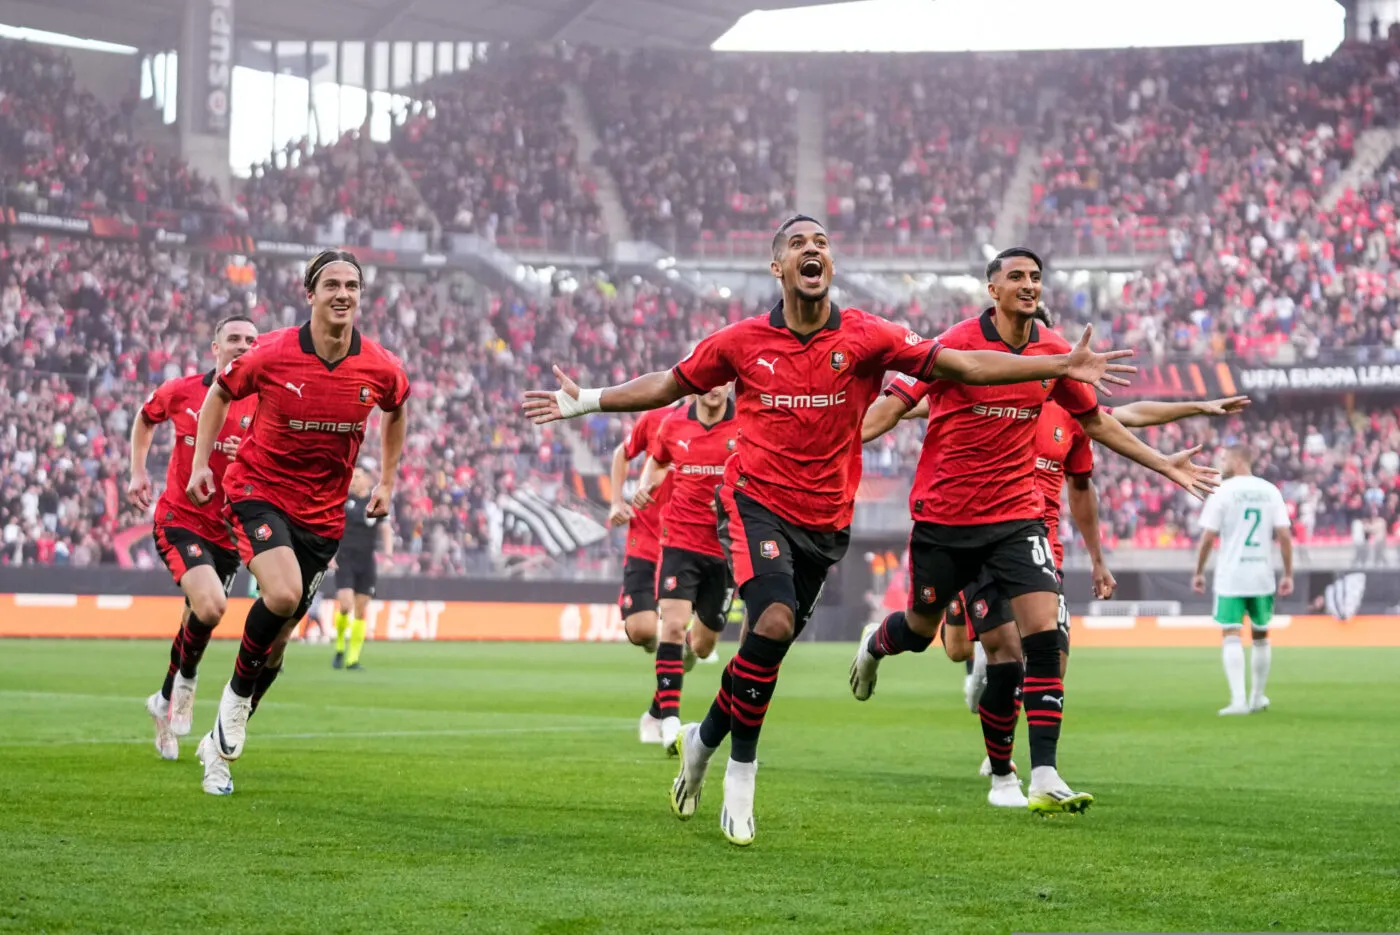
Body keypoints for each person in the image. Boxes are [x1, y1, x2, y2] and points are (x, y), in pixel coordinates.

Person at [524, 215, 1136, 846]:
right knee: (771, 625)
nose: (812, 249)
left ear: (831, 267)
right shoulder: (740, 341)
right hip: (753, 501)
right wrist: (589, 399)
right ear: (778, 267)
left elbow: (965, 367)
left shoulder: (869, 335)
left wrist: (1061, 363)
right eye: (798, 243)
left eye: (821, 243)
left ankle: (703, 740)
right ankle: (741, 773)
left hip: (824, 523)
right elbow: (667, 384)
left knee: (765, 650)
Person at [847, 248, 1219, 816]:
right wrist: (836, 445)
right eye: (1016, 276)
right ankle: (877, 644)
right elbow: (891, 407)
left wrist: (1163, 463)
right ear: (992, 289)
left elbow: (1097, 421)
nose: (1029, 284)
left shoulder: (1055, 352)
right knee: (923, 633)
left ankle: (1036, 774)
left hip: (1017, 518)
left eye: (1036, 277)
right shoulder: (951, 344)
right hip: (946, 518)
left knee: (1034, 639)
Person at [186, 249, 410, 795]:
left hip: (323, 514)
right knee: (283, 594)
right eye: (331, 284)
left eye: (352, 285)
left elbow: (397, 408)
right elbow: (219, 392)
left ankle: (217, 744)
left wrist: (386, 480)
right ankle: (232, 708)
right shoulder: (270, 352)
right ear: (310, 294)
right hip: (258, 490)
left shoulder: (380, 366)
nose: (342, 294)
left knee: (280, 642)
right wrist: (201, 463)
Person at [128, 315, 259, 760]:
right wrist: (137, 472)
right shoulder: (182, 390)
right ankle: (185, 682)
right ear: (216, 347)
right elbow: (145, 419)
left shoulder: (265, 401)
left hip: (229, 532)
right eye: (234, 338)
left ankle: (162, 702)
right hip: (179, 519)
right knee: (212, 606)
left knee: (196, 619)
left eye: (251, 339)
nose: (243, 345)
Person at [632, 385, 738, 754]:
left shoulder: (746, 424)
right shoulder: (674, 424)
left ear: (730, 384)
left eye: (721, 381)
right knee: (673, 626)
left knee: (703, 645)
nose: (714, 388)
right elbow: (657, 461)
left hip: (725, 547)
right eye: (707, 381)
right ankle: (670, 723)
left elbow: (761, 473)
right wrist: (645, 485)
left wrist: (732, 498)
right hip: (679, 540)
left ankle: (657, 705)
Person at [1192, 444, 1293, 716]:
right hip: (1261, 574)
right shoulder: (1270, 491)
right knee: (1261, 635)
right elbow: (1284, 535)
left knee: (1231, 633)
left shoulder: (1222, 491)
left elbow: (1208, 537)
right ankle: (1257, 698)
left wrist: (1199, 571)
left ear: (1237, 461)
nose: (1221, 463)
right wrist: (1288, 573)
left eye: (1224, 459)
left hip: (1231, 575)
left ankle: (1238, 701)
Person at [607, 399, 683, 745]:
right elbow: (621, 454)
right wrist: (616, 502)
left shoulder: (728, 424)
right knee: (641, 631)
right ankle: (665, 640)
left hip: (686, 543)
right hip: (646, 539)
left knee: (689, 641)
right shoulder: (655, 418)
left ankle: (657, 715)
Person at [332, 465, 391, 670]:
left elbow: (385, 529)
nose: (354, 480)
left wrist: (388, 555)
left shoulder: (375, 502)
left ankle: (352, 659)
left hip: (366, 561)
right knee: (345, 604)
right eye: (352, 476)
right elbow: (332, 527)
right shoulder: (342, 500)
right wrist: (329, 554)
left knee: (360, 610)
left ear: (367, 479)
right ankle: (340, 647)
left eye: (358, 476)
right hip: (344, 559)